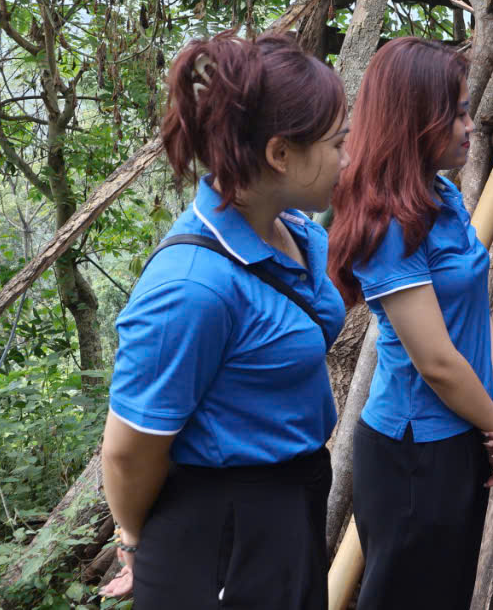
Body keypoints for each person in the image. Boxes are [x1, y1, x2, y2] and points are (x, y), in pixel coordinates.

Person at [100, 31, 350, 609]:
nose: (348, 158)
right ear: (280, 154)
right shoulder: (190, 288)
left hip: (294, 501)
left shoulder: (295, 232)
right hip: (224, 535)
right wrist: (136, 539)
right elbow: (127, 451)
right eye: (338, 142)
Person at [326, 37, 493, 610]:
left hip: (465, 431)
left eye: (467, 110)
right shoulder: (389, 223)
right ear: (415, 120)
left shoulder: (441, 194)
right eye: (457, 113)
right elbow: (435, 362)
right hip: (413, 454)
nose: (468, 125)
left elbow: (473, 307)